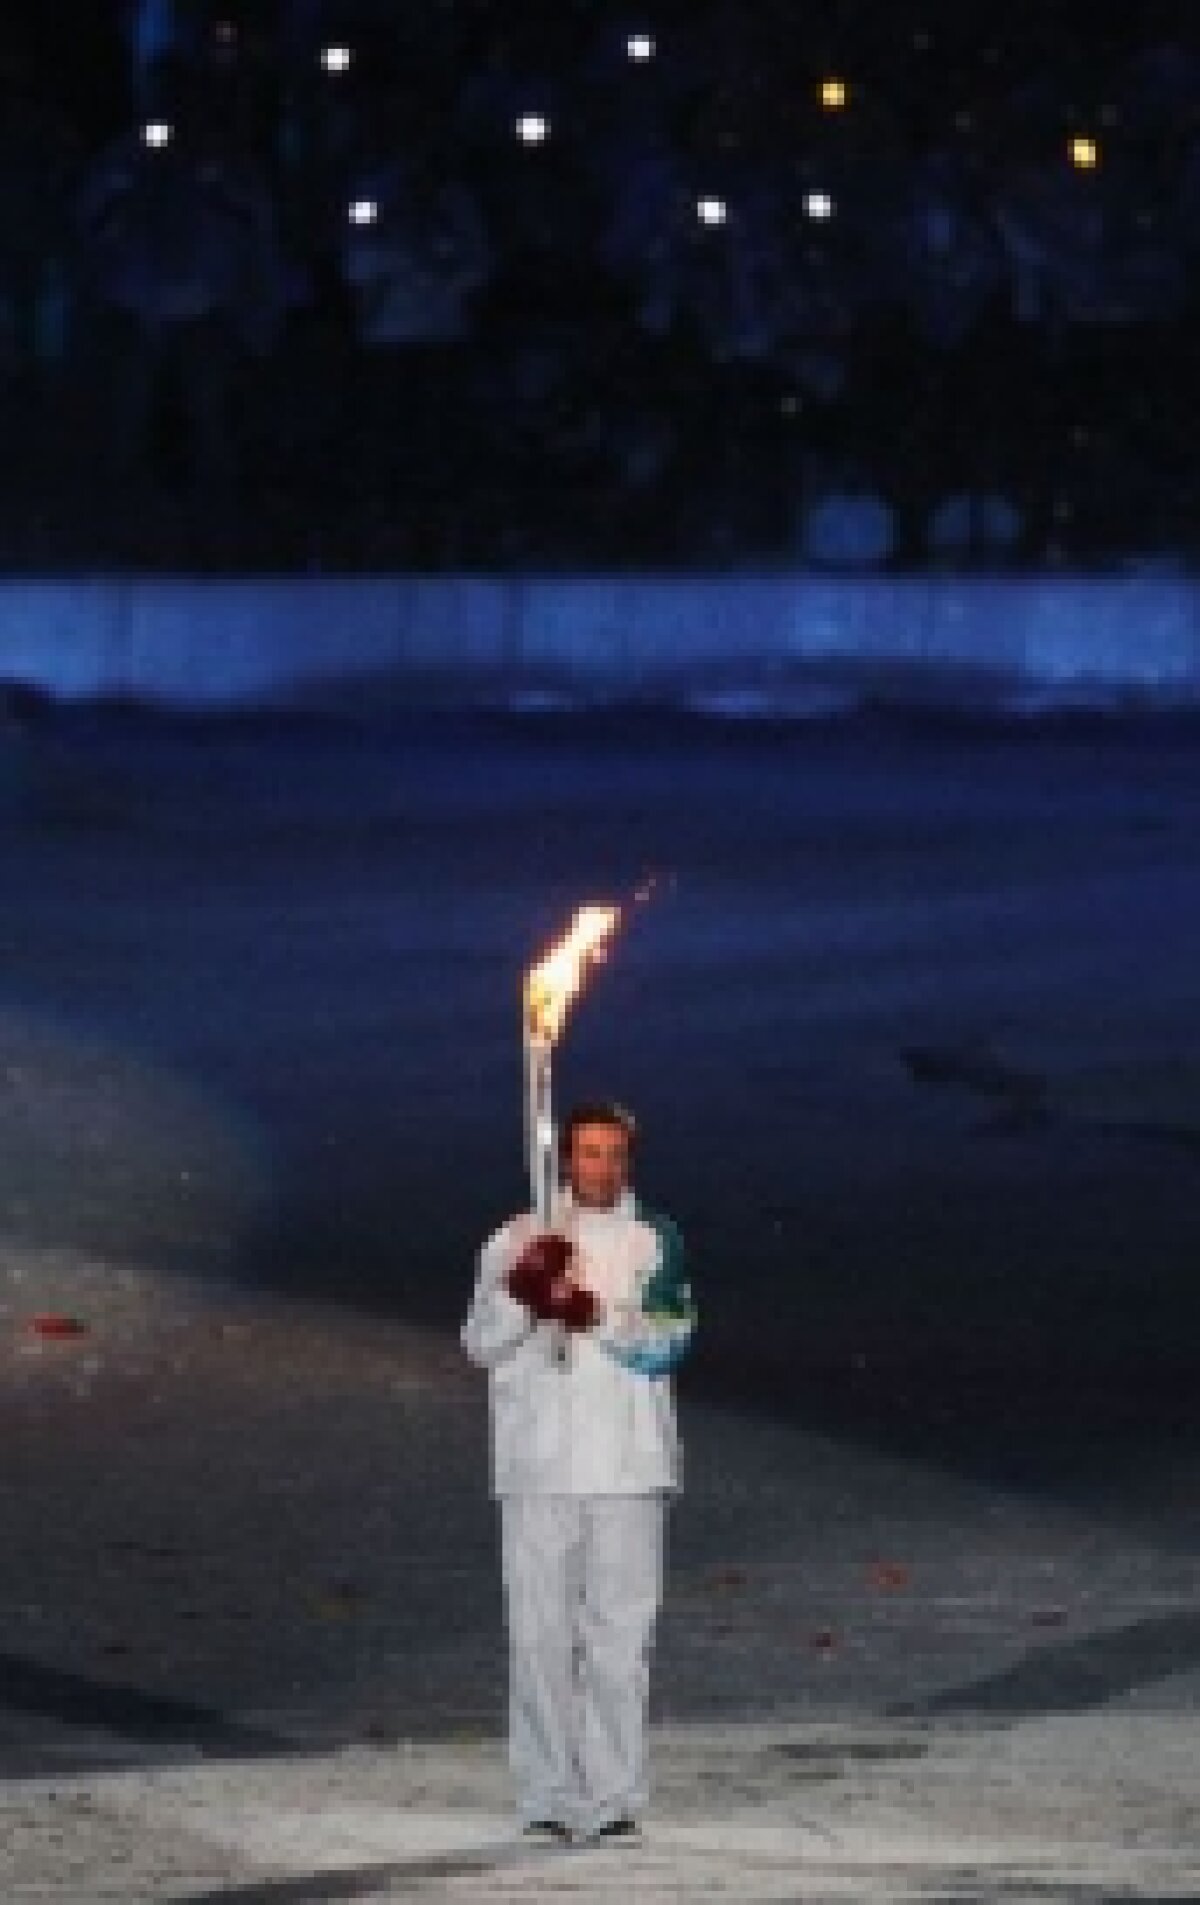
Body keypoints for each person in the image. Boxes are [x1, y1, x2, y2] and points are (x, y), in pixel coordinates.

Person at [461, 1100, 696, 1848]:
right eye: (590, 1152)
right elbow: (479, 1342)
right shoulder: (516, 1237)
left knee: (620, 1636)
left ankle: (614, 1795)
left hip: (628, 1464)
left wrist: (589, 1308)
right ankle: (545, 1795)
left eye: (616, 1153)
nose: (604, 1166)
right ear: (566, 1158)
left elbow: (668, 1342)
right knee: (538, 1636)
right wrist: (522, 1294)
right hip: (537, 1464)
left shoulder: (653, 1238)